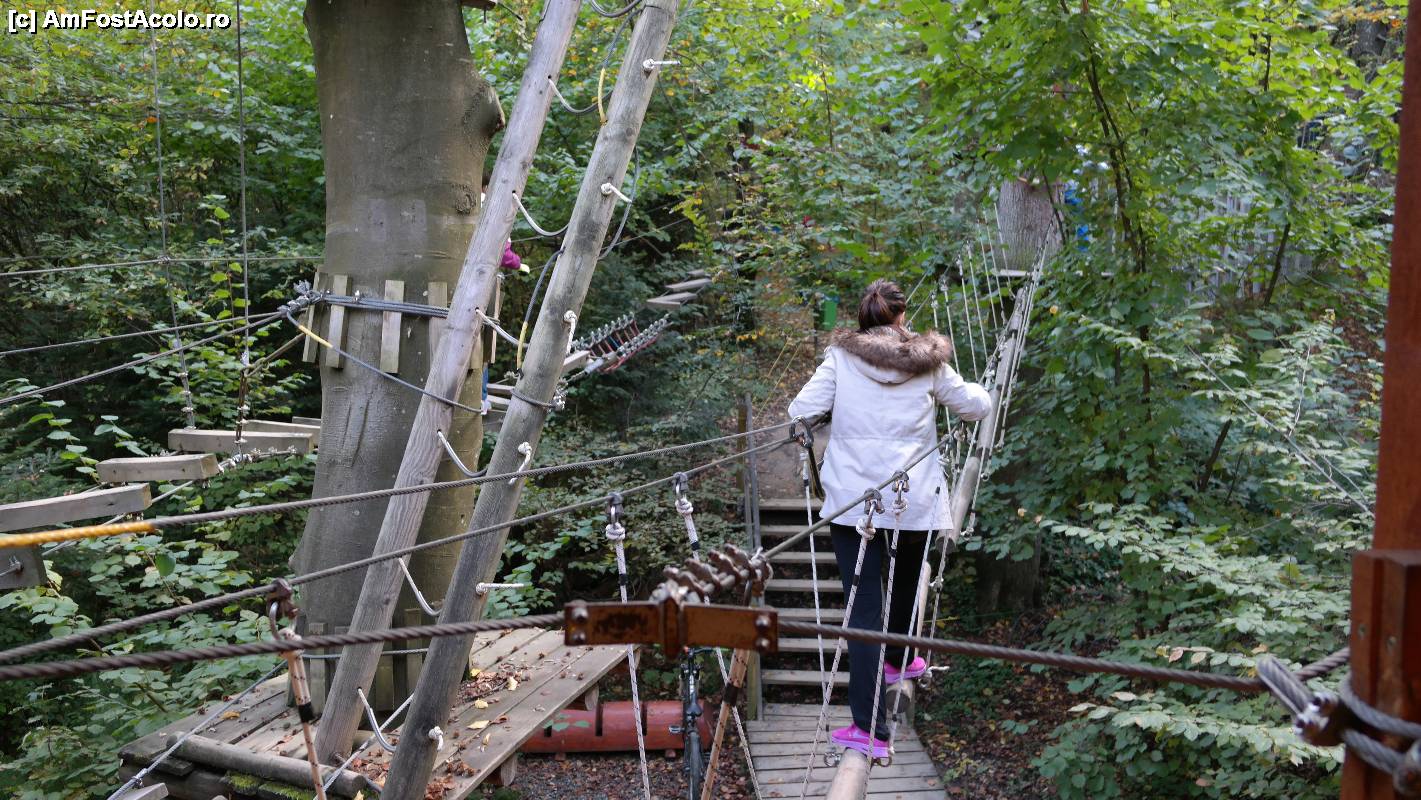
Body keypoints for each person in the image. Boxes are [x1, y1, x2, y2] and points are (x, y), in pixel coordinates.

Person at [787, 278, 993, 758]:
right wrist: (976, 389)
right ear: (901, 317)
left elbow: (801, 409)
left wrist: (836, 412)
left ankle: (870, 728)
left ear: (863, 318)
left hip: (853, 505)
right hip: (912, 500)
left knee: (863, 612)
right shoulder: (928, 361)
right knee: (904, 585)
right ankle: (900, 659)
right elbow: (975, 406)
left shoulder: (841, 358)